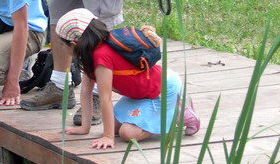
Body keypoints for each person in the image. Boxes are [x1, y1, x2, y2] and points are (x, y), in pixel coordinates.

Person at [55, 8, 200, 148]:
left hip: (161, 90)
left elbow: (105, 98)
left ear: (73, 44)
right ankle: (163, 114)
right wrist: (84, 128)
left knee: (127, 133)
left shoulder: (101, 57)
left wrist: (108, 137)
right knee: (115, 126)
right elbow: (86, 91)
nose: (61, 48)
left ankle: (177, 112)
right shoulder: (90, 55)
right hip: (139, 94)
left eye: (62, 44)